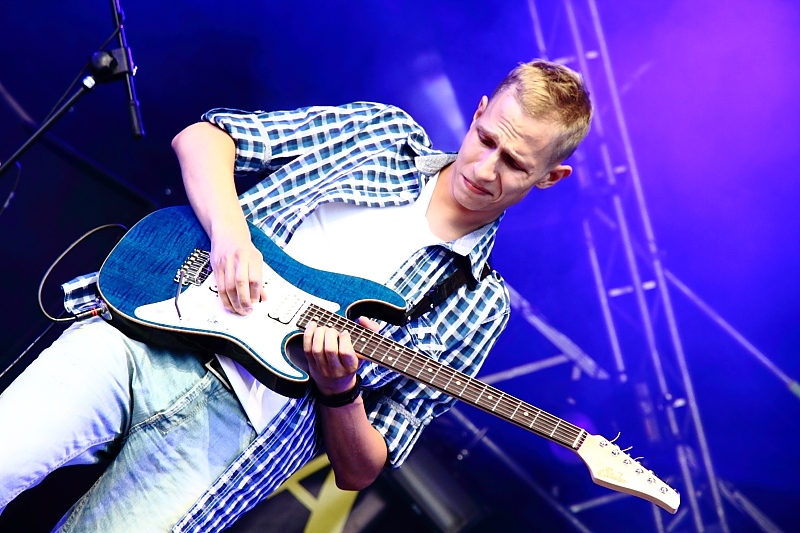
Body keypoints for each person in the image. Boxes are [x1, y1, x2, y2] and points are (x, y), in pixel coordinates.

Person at [0, 59, 591, 531]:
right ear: (479, 112)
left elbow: (363, 469)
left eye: (514, 163)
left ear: (550, 177)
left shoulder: (477, 305)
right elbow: (204, 138)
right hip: (147, 326)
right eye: (486, 138)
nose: (485, 169)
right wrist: (231, 236)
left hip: (229, 442)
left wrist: (340, 390)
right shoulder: (380, 133)